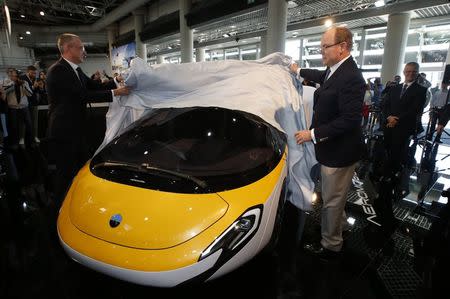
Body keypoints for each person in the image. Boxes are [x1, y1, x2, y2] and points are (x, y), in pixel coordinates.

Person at [290, 26, 365, 256]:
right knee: (336, 196)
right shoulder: (334, 70)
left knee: (331, 200)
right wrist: (298, 70)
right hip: (331, 148)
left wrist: (312, 134)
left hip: (340, 152)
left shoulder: (351, 77)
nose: (321, 51)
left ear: (342, 48)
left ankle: (331, 244)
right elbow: (320, 76)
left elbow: (350, 120)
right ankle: (339, 227)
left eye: (325, 46)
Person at [46, 33, 130, 206]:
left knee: (79, 168)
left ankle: (77, 202)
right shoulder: (59, 70)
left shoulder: (75, 70)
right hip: (64, 131)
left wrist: (116, 80)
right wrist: (116, 93)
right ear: (68, 48)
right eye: (80, 47)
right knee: (66, 172)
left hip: (76, 129)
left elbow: (95, 86)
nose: (84, 51)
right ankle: (60, 208)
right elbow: (81, 95)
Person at [376, 62, 427, 237]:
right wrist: (390, 116)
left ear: (417, 73)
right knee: (387, 148)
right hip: (390, 124)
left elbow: (415, 110)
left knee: (398, 151)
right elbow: (387, 104)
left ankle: (391, 173)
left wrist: (397, 119)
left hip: (403, 126)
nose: (410, 74)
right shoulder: (395, 88)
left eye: (413, 72)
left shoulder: (420, 90)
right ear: (404, 72)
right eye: (408, 71)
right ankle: (388, 169)